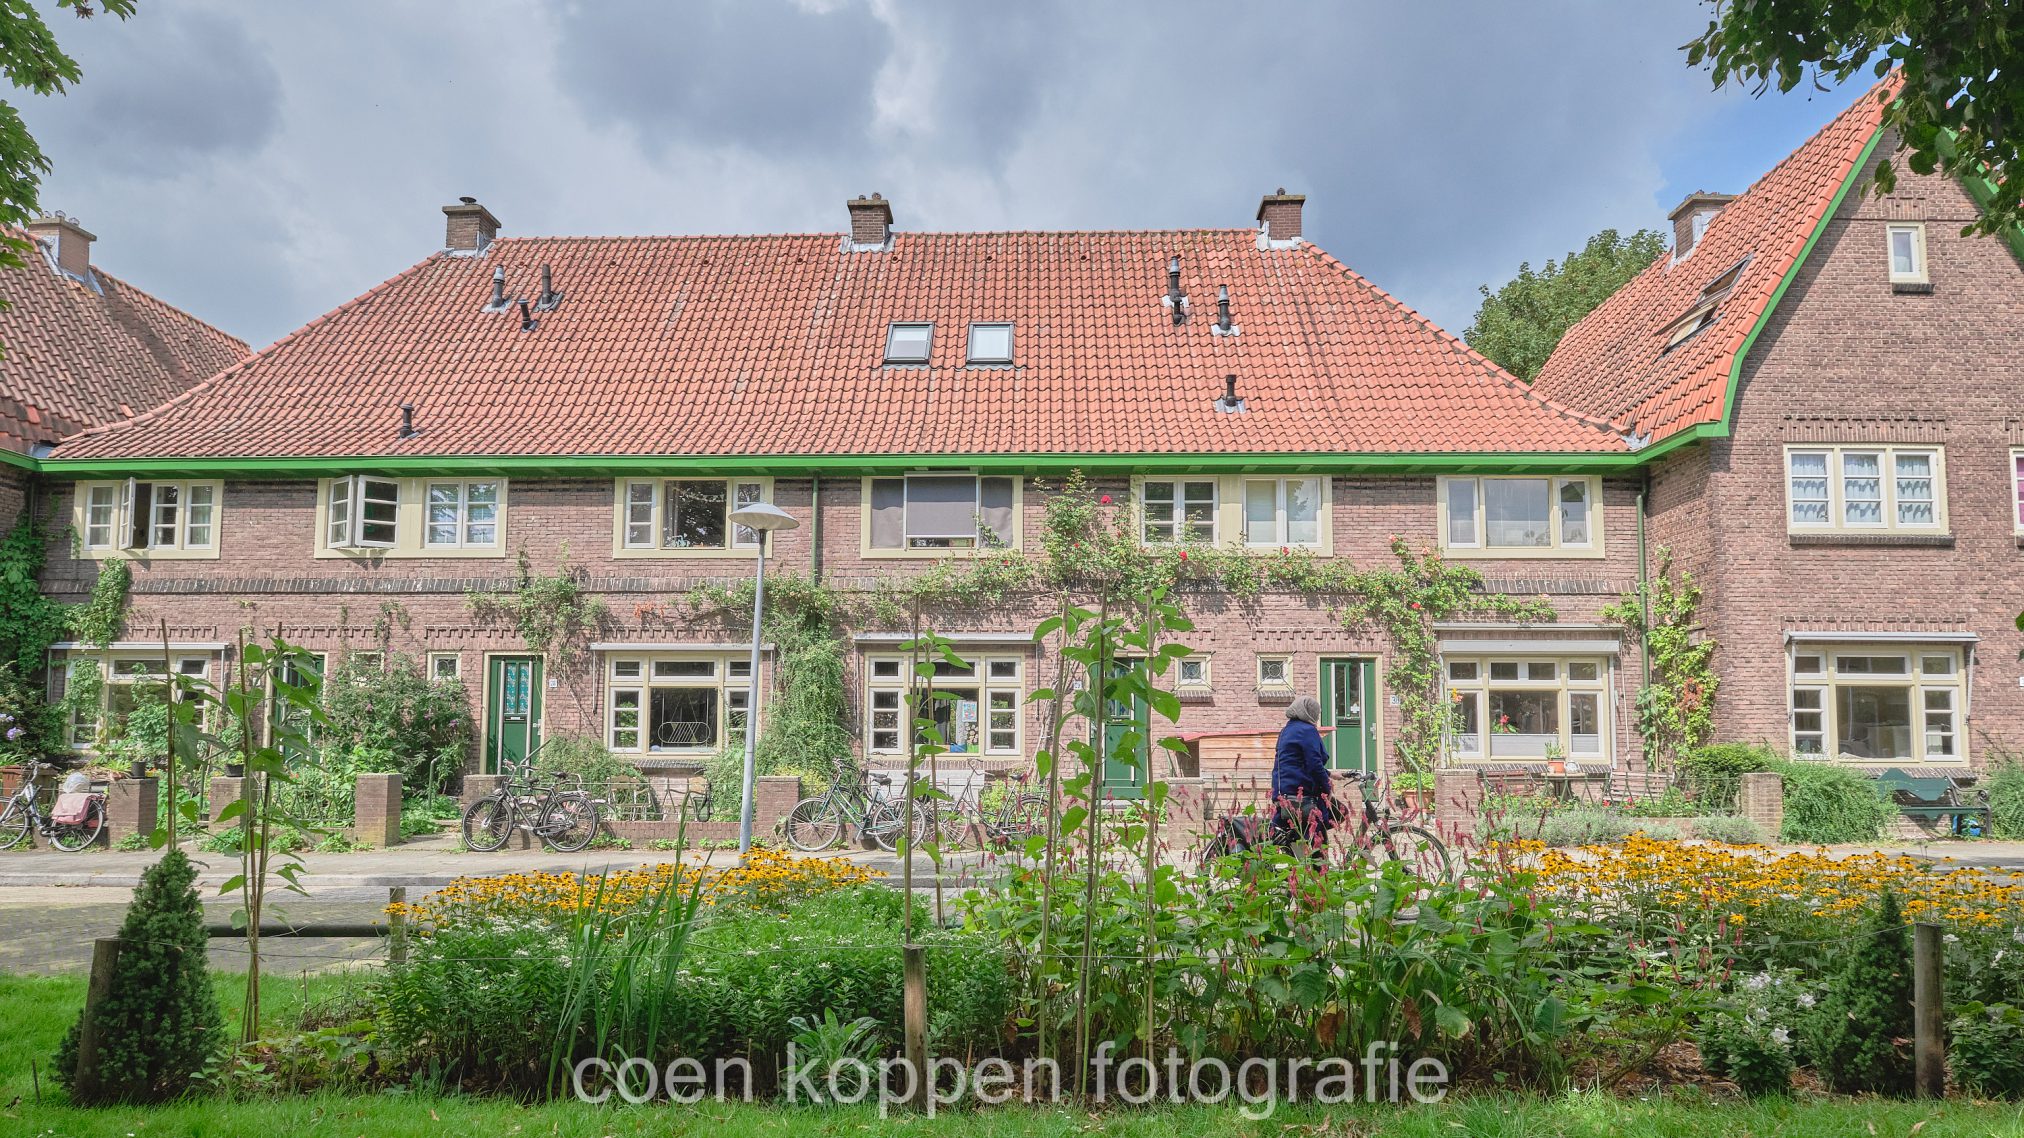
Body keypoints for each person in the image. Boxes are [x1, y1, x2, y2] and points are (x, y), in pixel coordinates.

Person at [1270, 696, 1336, 858]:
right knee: (1318, 838)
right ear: (1309, 713)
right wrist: (1327, 788)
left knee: (1294, 837)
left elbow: (1296, 763)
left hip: (1284, 791)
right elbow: (1313, 764)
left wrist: (1330, 774)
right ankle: (1317, 874)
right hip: (1302, 796)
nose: (1317, 717)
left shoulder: (1287, 730)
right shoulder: (1307, 730)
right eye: (1316, 713)